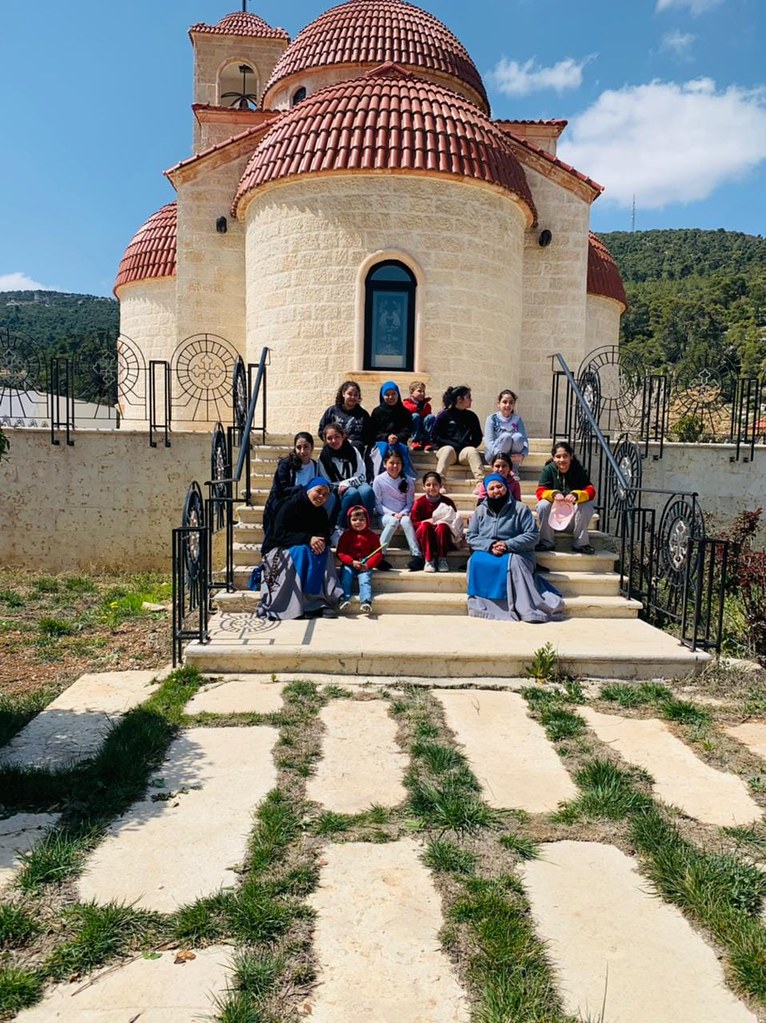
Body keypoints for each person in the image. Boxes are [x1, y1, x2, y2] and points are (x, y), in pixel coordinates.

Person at [466, 474, 565, 623]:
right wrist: (490, 545)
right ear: (487, 491)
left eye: (499, 486)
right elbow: (471, 536)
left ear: (506, 487)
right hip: (489, 550)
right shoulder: (480, 510)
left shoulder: (520, 509)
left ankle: (527, 610)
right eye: (491, 488)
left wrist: (507, 544)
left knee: (514, 564)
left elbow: (532, 535)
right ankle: (484, 608)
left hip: (517, 551)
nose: (496, 491)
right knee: (475, 561)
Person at [256, 478, 343, 620]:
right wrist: (308, 539)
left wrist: (319, 540)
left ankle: (317, 603)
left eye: (325, 495)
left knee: (322, 551)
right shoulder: (289, 505)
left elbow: (324, 532)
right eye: (318, 492)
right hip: (279, 548)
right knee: (302, 553)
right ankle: (294, 606)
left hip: (305, 547)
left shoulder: (320, 512)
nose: (321, 497)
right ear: (309, 490)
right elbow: (279, 534)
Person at [535, 441, 596, 555]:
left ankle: (581, 544)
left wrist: (577, 495)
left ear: (571, 457)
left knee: (586, 505)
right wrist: (553, 494)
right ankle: (546, 542)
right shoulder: (548, 470)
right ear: (553, 458)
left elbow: (591, 491)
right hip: (552, 519)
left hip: (572, 520)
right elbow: (540, 492)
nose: (562, 460)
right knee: (543, 504)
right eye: (558, 456)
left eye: (565, 456)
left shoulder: (578, 469)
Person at [262, 431, 321, 547]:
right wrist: (303, 489)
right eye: (299, 447)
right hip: (286, 502)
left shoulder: (315, 465)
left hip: (307, 504)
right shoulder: (286, 464)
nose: (302, 451)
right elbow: (280, 490)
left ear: (312, 448)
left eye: (306, 447)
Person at [372, 448, 425, 571]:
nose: (395, 466)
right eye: (391, 463)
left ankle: (417, 555)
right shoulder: (378, 480)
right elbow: (377, 504)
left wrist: (402, 513)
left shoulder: (407, 480)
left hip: (402, 515)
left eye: (398, 463)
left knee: (406, 521)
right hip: (385, 516)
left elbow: (409, 503)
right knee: (392, 522)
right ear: (385, 464)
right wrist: (392, 514)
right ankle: (379, 555)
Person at [318, 421, 376, 529]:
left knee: (367, 490)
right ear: (325, 440)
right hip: (337, 489)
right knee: (352, 493)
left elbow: (362, 474)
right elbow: (326, 482)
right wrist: (343, 485)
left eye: (337, 437)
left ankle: (366, 525)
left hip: (355, 483)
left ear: (343, 436)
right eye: (329, 438)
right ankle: (341, 527)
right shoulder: (323, 458)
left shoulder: (353, 451)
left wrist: (347, 483)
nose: (334, 441)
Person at [336, 505, 384, 614]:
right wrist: (351, 562)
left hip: (365, 564)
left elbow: (377, 553)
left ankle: (366, 601)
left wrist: (368, 565)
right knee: (346, 577)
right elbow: (341, 552)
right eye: (354, 520)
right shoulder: (346, 535)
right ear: (349, 521)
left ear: (367, 520)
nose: (358, 522)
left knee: (365, 579)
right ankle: (344, 598)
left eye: (362, 519)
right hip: (350, 564)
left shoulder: (372, 536)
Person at [411, 470, 460, 572]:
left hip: (443, 536)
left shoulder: (447, 502)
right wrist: (429, 521)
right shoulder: (419, 503)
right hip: (425, 536)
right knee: (425, 526)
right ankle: (429, 560)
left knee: (442, 526)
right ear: (423, 487)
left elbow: (455, 519)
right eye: (428, 485)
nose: (432, 488)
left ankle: (442, 559)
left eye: (435, 484)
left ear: (440, 486)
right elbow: (414, 522)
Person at [432, 385, 484, 480]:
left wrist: (467, 445)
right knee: (448, 449)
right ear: (459, 399)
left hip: (463, 453)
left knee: (472, 451)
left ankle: (480, 482)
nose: (471, 400)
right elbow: (435, 436)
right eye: (468, 397)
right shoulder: (444, 415)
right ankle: (439, 481)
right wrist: (452, 444)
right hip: (447, 452)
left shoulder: (471, 416)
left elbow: (478, 437)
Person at [369, 381, 415, 478]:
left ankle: (402, 476)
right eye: (387, 394)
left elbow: (407, 431)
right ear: (382, 396)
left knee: (397, 448)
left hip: (399, 442)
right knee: (385, 447)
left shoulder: (405, 412)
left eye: (394, 394)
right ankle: (379, 476)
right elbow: (373, 432)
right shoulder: (377, 412)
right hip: (380, 443)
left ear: (398, 394)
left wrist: (396, 438)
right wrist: (387, 437)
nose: (391, 397)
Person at [317, 380, 372, 455]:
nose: (352, 397)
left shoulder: (363, 415)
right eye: (350, 394)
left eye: (356, 395)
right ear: (343, 394)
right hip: (333, 447)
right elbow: (322, 430)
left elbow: (368, 436)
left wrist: (354, 440)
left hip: (354, 451)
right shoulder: (332, 411)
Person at [484, 389, 529, 466]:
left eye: (511, 402)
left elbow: (524, 440)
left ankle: (514, 470)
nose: (508, 405)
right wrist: (501, 455)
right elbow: (488, 441)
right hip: (494, 454)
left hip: (512, 457)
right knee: (506, 436)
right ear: (498, 404)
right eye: (504, 402)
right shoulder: (491, 418)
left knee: (518, 437)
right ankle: (500, 466)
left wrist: (523, 454)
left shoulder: (517, 420)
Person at [403, 381, 435, 451]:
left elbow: (427, 417)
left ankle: (426, 441)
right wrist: (422, 404)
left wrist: (424, 404)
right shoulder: (406, 403)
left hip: (422, 428)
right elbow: (412, 410)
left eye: (423, 391)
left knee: (431, 417)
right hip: (412, 429)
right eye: (419, 391)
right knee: (415, 415)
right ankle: (415, 441)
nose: (422, 393)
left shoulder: (427, 405)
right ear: (411, 393)